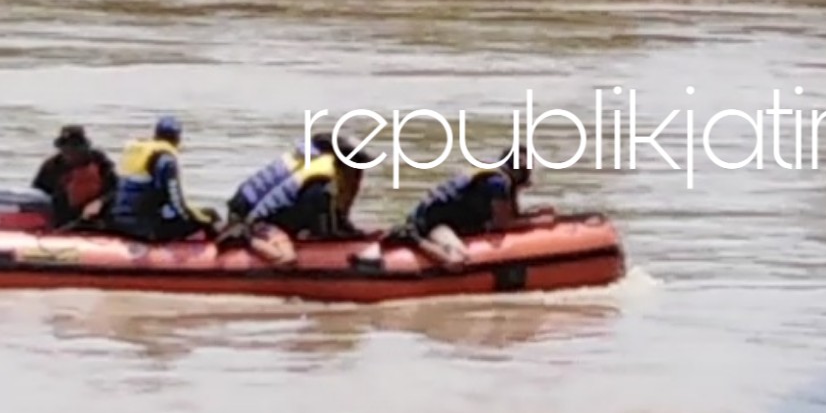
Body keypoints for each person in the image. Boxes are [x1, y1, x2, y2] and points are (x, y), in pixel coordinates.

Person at [223, 132, 376, 266]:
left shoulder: (310, 162)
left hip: (247, 211)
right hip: (256, 223)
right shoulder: (319, 184)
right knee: (287, 258)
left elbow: (332, 216)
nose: (358, 177)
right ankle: (244, 238)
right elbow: (325, 230)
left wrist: (355, 233)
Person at [401, 144, 551, 268]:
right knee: (458, 260)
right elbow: (501, 224)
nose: (530, 174)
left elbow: (509, 215)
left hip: (439, 218)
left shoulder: (498, 178)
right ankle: (413, 239)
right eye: (528, 169)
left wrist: (535, 214)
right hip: (432, 223)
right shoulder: (498, 183)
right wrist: (536, 223)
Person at [105, 115, 221, 242]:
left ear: (156, 134)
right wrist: (198, 220)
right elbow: (177, 204)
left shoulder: (136, 152)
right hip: (144, 226)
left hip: (118, 220)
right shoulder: (166, 160)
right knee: (211, 215)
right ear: (177, 138)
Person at [31, 125, 116, 229]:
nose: (70, 153)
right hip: (63, 219)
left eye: (75, 147)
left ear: (84, 146)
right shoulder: (52, 166)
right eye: (66, 148)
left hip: (96, 217)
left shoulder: (100, 163)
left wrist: (100, 202)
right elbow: (37, 194)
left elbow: (115, 189)